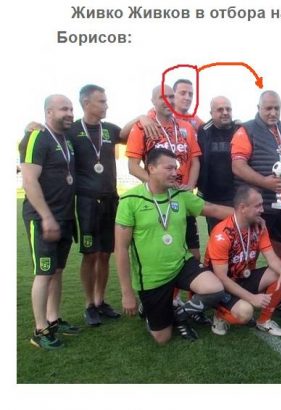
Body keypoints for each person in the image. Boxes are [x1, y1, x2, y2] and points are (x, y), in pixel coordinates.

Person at [115, 148, 232, 344]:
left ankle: (179, 314)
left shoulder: (180, 195)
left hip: (181, 264)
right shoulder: (130, 200)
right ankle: (151, 309)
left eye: (175, 168)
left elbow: (212, 209)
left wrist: (246, 214)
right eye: (169, 168)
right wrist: (127, 293)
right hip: (152, 278)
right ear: (151, 168)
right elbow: (120, 249)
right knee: (162, 338)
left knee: (215, 288)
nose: (175, 173)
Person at [19, 94, 79, 349]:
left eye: (71, 108)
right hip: (42, 218)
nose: (69, 113)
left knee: (57, 271)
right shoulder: (37, 136)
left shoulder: (67, 138)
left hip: (64, 216)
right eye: (64, 109)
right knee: (44, 272)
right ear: (48, 112)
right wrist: (46, 217)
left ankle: (53, 319)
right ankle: (40, 329)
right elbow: (29, 180)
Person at [125, 84, 202, 261]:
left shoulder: (186, 127)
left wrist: (190, 186)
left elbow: (195, 161)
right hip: (157, 199)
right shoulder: (142, 127)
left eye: (171, 96)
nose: (168, 101)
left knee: (194, 253)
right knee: (162, 252)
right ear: (152, 101)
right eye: (162, 97)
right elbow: (133, 166)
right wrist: (157, 185)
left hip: (182, 197)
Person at [205, 185, 281, 336]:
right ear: (242, 208)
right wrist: (252, 298)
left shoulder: (258, 227)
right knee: (245, 312)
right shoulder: (222, 233)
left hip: (243, 277)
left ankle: (264, 321)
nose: (262, 210)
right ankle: (220, 314)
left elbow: (272, 258)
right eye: (257, 206)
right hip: (220, 287)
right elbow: (221, 277)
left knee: (278, 273)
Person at [69, 84, 123, 325]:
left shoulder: (110, 129)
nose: (106, 105)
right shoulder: (71, 130)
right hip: (87, 202)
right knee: (90, 254)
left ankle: (101, 301)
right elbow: (48, 132)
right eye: (101, 101)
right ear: (86, 103)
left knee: (105, 254)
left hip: (111, 199)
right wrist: (33, 127)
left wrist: (142, 118)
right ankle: (89, 304)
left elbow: (131, 134)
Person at [231, 90, 281, 264]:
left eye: (277, 108)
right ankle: (245, 279)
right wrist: (264, 182)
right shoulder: (246, 130)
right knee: (250, 249)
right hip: (260, 203)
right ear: (259, 107)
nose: (273, 113)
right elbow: (237, 166)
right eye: (268, 108)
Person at [197, 96, 239, 233]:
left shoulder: (240, 129)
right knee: (217, 236)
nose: (225, 112)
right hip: (213, 198)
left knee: (239, 236)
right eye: (220, 109)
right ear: (211, 113)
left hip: (237, 196)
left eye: (228, 109)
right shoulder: (203, 131)